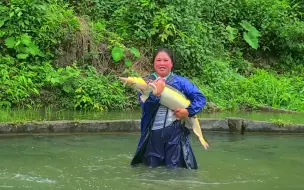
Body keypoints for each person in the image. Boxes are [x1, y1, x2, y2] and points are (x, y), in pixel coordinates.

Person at [130, 48, 206, 169]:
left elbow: (200, 99)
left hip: (175, 135)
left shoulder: (181, 82)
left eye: (165, 60)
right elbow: (146, 107)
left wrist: (187, 111)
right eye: (158, 60)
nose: (162, 63)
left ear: (172, 63)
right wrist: (156, 94)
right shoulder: (145, 83)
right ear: (153, 63)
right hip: (152, 135)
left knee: (174, 170)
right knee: (151, 170)